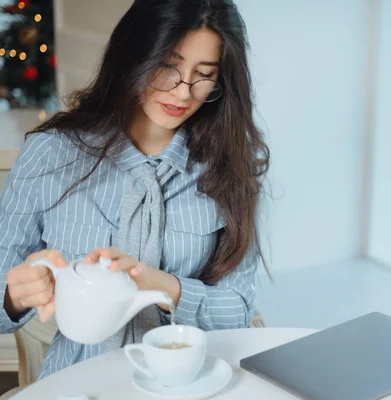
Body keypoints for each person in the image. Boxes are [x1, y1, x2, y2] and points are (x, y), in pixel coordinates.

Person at [0, 0, 269, 380]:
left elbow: (238, 307)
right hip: (77, 382)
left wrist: (160, 285)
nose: (181, 92)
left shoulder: (230, 170)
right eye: (168, 66)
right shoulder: (51, 154)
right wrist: (15, 294)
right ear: (134, 54)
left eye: (203, 74)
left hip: (189, 382)